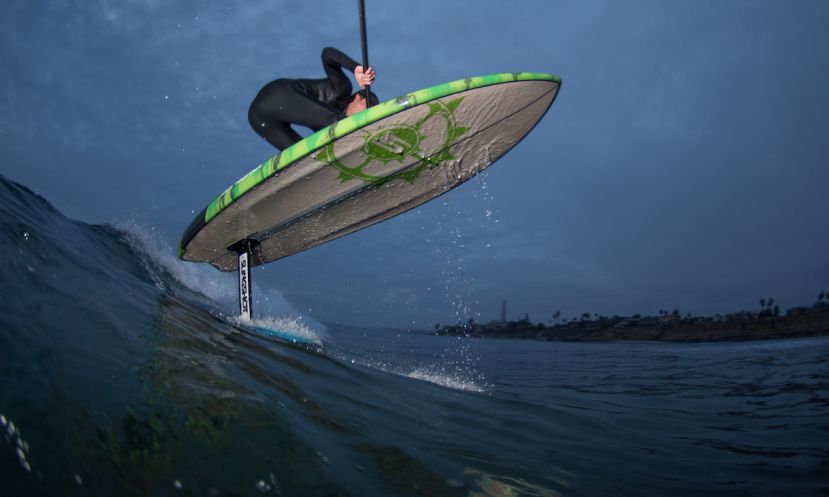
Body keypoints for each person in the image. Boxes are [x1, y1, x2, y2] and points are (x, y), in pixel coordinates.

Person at [248, 47, 378, 151]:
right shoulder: (341, 90)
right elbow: (327, 54)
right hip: (279, 93)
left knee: (303, 157)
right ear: (356, 98)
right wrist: (355, 67)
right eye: (368, 108)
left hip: (257, 117)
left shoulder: (327, 129)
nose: (366, 117)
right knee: (337, 123)